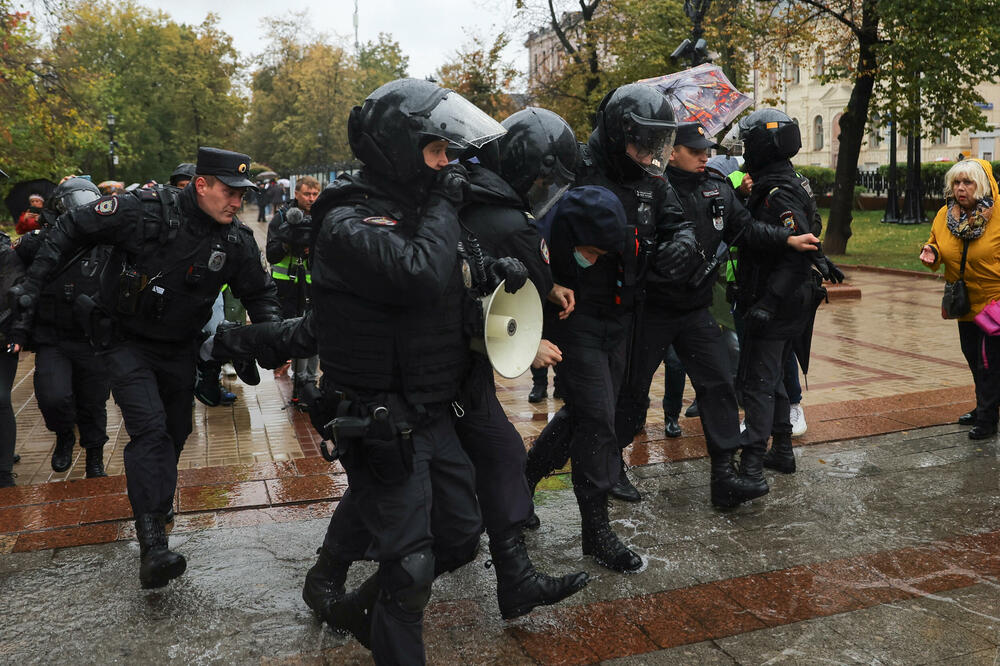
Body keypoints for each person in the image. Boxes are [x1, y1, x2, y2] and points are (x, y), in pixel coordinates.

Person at [211, 79, 506, 663]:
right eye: (435, 150)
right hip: (377, 412)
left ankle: (346, 597)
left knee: (459, 535)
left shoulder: (418, 209)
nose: (447, 164)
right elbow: (417, 273)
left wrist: (498, 270)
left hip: (433, 402)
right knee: (412, 562)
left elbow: (445, 285)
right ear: (398, 147)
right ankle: (378, 616)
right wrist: (447, 204)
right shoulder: (348, 218)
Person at [9, 147, 281, 589]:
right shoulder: (144, 212)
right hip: (123, 339)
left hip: (178, 347)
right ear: (202, 185)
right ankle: (152, 540)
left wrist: (273, 338)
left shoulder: (235, 239)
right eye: (229, 192)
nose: (237, 202)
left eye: (242, 194)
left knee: (176, 432)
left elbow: (260, 293)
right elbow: (71, 228)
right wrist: (31, 288)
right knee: (149, 430)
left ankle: (155, 498)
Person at [619, 121, 819, 506]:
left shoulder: (716, 186)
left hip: (695, 309)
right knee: (632, 389)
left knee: (720, 388)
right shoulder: (649, 189)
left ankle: (725, 476)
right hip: (655, 309)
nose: (705, 156)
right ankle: (610, 464)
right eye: (695, 151)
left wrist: (786, 238)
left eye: (706, 150)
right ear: (671, 151)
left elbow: (745, 230)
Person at [565, 82, 698, 505]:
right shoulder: (578, 166)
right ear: (620, 132)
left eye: (657, 143)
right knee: (596, 410)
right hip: (579, 308)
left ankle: (534, 473)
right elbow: (538, 224)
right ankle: (597, 510)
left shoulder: (651, 179)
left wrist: (682, 245)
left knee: (619, 401)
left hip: (629, 307)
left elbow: (680, 223)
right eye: (644, 143)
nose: (650, 154)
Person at [523, 185, 644, 573]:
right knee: (596, 419)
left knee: (586, 413)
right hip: (571, 323)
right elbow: (518, 275)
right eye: (589, 252)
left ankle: (526, 477)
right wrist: (548, 286)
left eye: (601, 255)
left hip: (615, 322)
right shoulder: (544, 228)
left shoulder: (618, 228)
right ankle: (596, 529)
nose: (594, 260)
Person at [733, 109, 842, 479]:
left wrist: (767, 302)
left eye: (749, 142)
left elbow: (801, 251)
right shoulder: (779, 183)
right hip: (786, 299)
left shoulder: (779, 193)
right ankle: (781, 451)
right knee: (775, 376)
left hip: (779, 300)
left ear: (764, 146)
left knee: (759, 382)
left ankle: (751, 467)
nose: (745, 149)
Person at [15, 177, 112, 477]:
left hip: (92, 337)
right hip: (53, 336)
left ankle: (94, 456)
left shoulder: (107, 243)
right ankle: (64, 435)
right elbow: (23, 250)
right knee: (53, 396)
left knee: (93, 401)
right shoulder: (42, 243)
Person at [920, 159, 1000, 439]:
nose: (960, 188)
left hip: (995, 301)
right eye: (956, 183)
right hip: (963, 301)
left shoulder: (999, 213)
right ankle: (984, 407)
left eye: (967, 182)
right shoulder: (945, 215)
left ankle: (987, 419)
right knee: (973, 357)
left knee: (988, 360)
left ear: (983, 185)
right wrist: (931, 252)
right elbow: (937, 243)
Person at [266, 176, 321, 408]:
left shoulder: (322, 216)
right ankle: (299, 382)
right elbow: (271, 254)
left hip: (313, 286)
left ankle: (311, 382)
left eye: (315, 194)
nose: (311, 199)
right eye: (307, 194)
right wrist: (288, 242)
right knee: (296, 331)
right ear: (296, 193)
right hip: (287, 286)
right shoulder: (281, 218)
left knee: (316, 330)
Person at [0, 226, 25, 488]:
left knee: (0, 398)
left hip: (2, 335)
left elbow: (12, 295)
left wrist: (14, 332)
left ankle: (3, 470)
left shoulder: (6, 254)